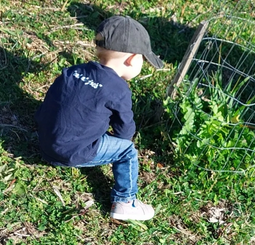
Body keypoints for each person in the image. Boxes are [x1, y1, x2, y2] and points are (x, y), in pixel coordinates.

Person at [35, 15, 165, 220]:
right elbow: (124, 133)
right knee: (127, 152)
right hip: (70, 153)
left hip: (44, 142)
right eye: (143, 59)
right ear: (131, 58)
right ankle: (125, 202)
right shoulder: (119, 90)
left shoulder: (73, 71)